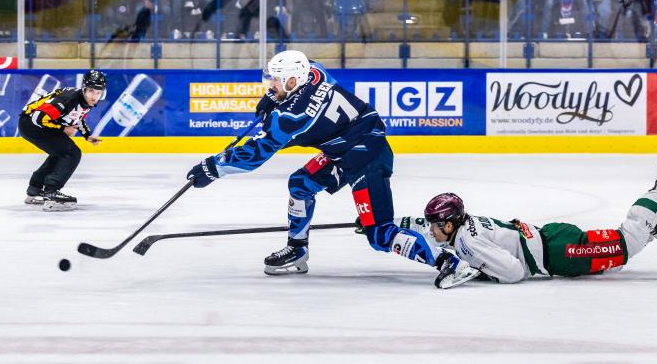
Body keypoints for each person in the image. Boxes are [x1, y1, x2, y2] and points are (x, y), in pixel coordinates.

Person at [185, 50, 478, 288]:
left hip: (368, 156)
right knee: (300, 184)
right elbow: (296, 94)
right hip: (344, 148)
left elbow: (255, 154)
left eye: (275, 82)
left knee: (379, 234)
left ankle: (449, 264)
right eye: (269, 82)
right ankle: (297, 251)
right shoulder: (314, 71)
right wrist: (272, 100)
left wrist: (213, 168)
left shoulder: (292, 119)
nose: (270, 87)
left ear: (292, 81)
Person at [396, 150, 657, 288]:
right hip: (552, 238)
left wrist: (478, 271)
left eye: (435, 225)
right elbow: (424, 225)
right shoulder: (465, 222)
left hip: (561, 253)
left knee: (626, 244)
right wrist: (394, 224)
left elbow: (514, 272)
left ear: (449, 224)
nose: (432, 230)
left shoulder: (465, 242)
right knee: (613, 261)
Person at [19, 70, 105, 212]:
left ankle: (35, 188)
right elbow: (38, 118)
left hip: (31, 124)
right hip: (32, 124)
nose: (94, 96)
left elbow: (78, 118)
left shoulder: (84, 100)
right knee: (72, 153)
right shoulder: (69, 99)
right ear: (84, 88)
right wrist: (63, 128)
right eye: (91, 91)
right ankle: (51, 191)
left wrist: (87, 135)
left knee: (60, 152)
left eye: (98, 92)